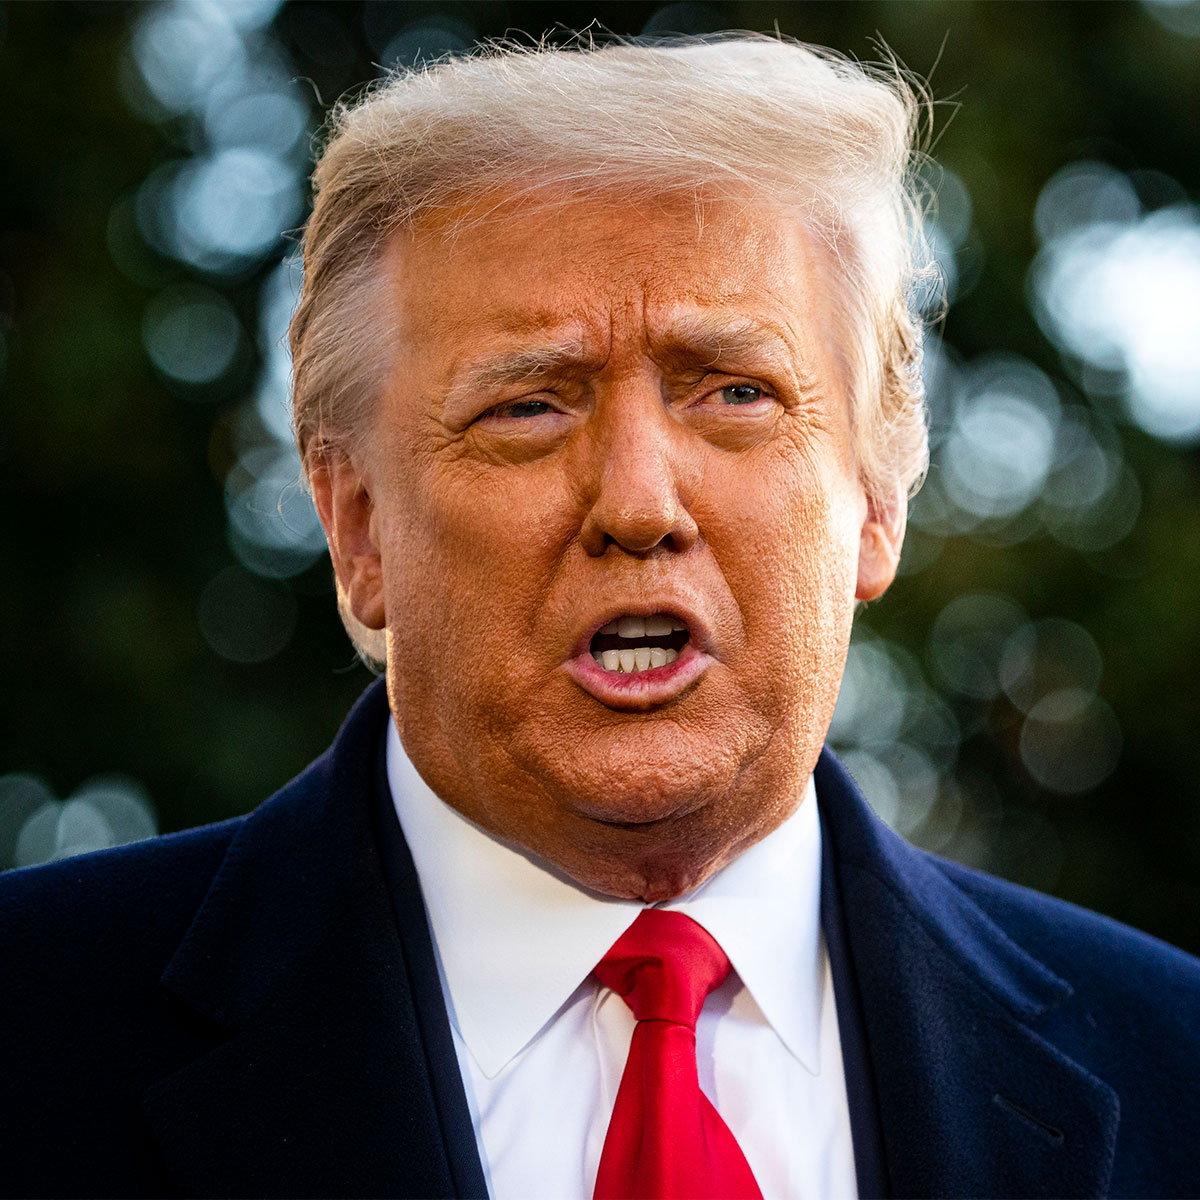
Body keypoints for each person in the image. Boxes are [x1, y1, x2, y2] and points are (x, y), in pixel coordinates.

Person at [1, 34, 1198, 1200]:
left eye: (734, 391)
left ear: (879, 500)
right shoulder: (37, 1026)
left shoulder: (1172, 1066)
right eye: (528, 407)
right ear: (357, 526)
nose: (637, 502)